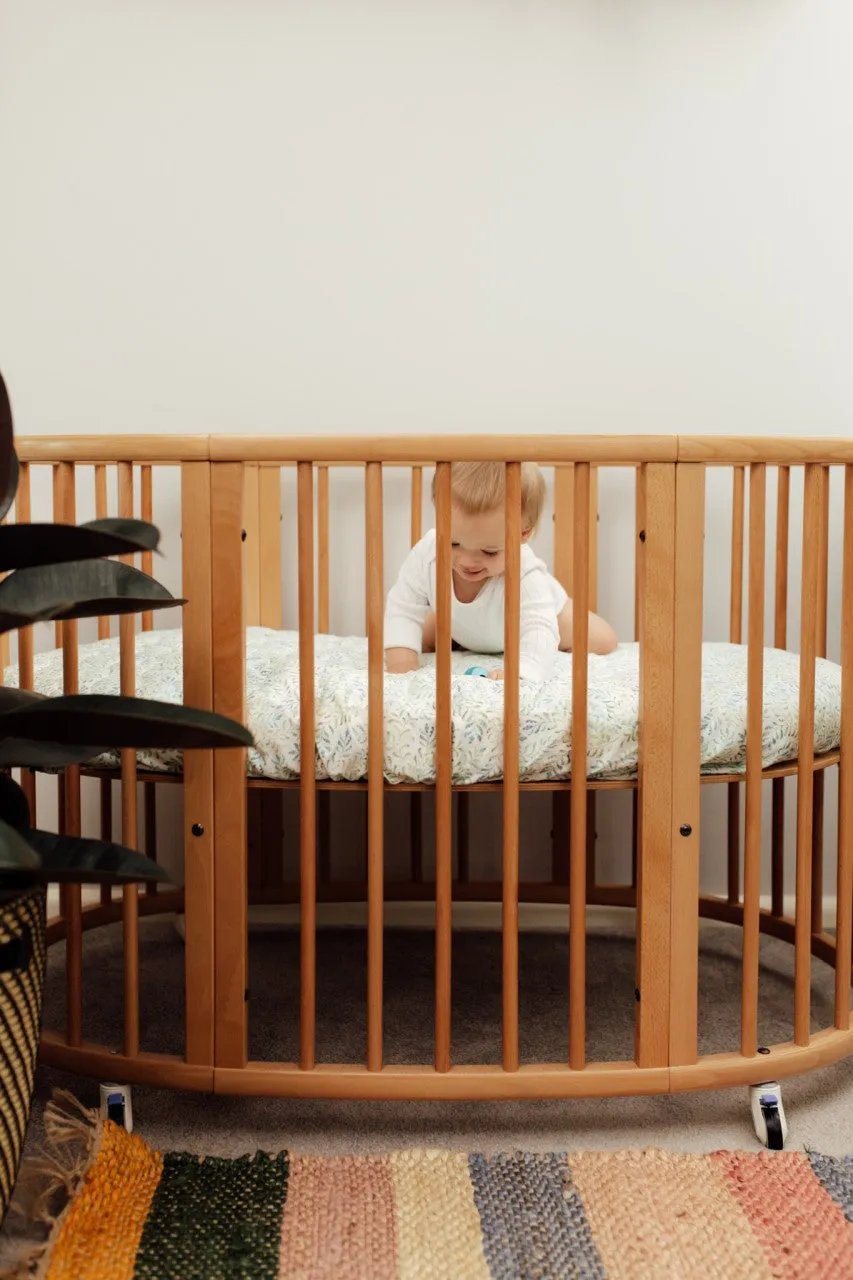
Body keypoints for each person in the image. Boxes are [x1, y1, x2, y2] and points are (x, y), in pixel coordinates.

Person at [384, 461, 617, 680]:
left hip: (533, 619)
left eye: (489, 551)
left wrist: (523, 668)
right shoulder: (427, 555)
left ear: (523, 535)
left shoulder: (525, 572)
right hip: (461, 623)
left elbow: (539, 628)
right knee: (411, 636)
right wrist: (402, 662)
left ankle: (478, 637)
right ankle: (468, 636)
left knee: (603, 639)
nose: (467, 561)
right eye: (453, 544)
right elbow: (403, 608)